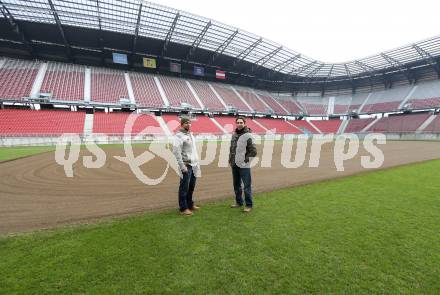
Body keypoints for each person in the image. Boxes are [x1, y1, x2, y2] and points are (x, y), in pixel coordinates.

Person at [172, 116, 201, 216]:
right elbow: (176, 152)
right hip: (186, 165)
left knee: (191, 187)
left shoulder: (190, 135)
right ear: (182, 124)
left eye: (189, 123)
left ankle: (190, 204)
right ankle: (183, 208)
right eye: (186, 123)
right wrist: (182, 166)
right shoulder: (178, 136)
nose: (188, 124)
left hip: (194, 165)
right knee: (184, 187)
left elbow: (193, 151)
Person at [228, 116, 257, 212]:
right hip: (234, 164)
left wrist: (245, 161)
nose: (239, 124)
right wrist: (230, 159)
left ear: (244, 124)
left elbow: (253, 152)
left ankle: (249, 205)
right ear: (236, 123)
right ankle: (239, 202)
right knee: (236, 184)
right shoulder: (234, 135)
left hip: (244, 165)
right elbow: (232, 149)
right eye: (238, 122)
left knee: (246, 185)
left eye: (241, 122)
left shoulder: (248, 135)